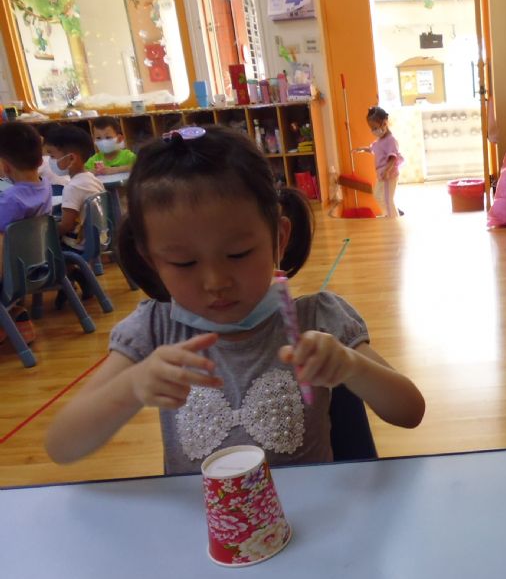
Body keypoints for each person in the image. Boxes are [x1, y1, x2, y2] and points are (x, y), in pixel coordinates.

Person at [46, 125, 425, 473]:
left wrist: (351, 366)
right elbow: (62, 445)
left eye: (238, 254)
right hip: (205, 523)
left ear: (279, 238)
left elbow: (410, 411)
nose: (216, 282)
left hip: (311, 517)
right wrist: (132, 386)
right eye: (184, 263)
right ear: (151, 259)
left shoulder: (318, 318)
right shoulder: (154, 331)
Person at [0, 122, 52, 343]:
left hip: (10, 275)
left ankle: (9, 317)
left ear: (5, 166)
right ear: (40, 160)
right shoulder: (45, 186)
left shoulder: (10, 199)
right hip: (38, 267)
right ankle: (15, 316)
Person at [43, 125, 106, 252]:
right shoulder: (92, 179)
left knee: (42, 246)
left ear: (71, 158)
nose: (50, 161)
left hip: (77, 246)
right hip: (100, 239)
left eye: (52, 156)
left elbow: (67, 226)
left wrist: (45, 232)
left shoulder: (73, 187)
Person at [354, 106, 403, 217]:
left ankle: (393, 218)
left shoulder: (390, 140)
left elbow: (393, 158)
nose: (373, 131)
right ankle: (389, 214)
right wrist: (362, 149)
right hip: (382, 175)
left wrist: (386, 171)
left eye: (375, 128)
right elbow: (373, 149)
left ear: (384, 123)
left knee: (387, 199)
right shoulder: (380, 140)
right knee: (377, 195)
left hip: (389, 175)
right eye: (371, 128)